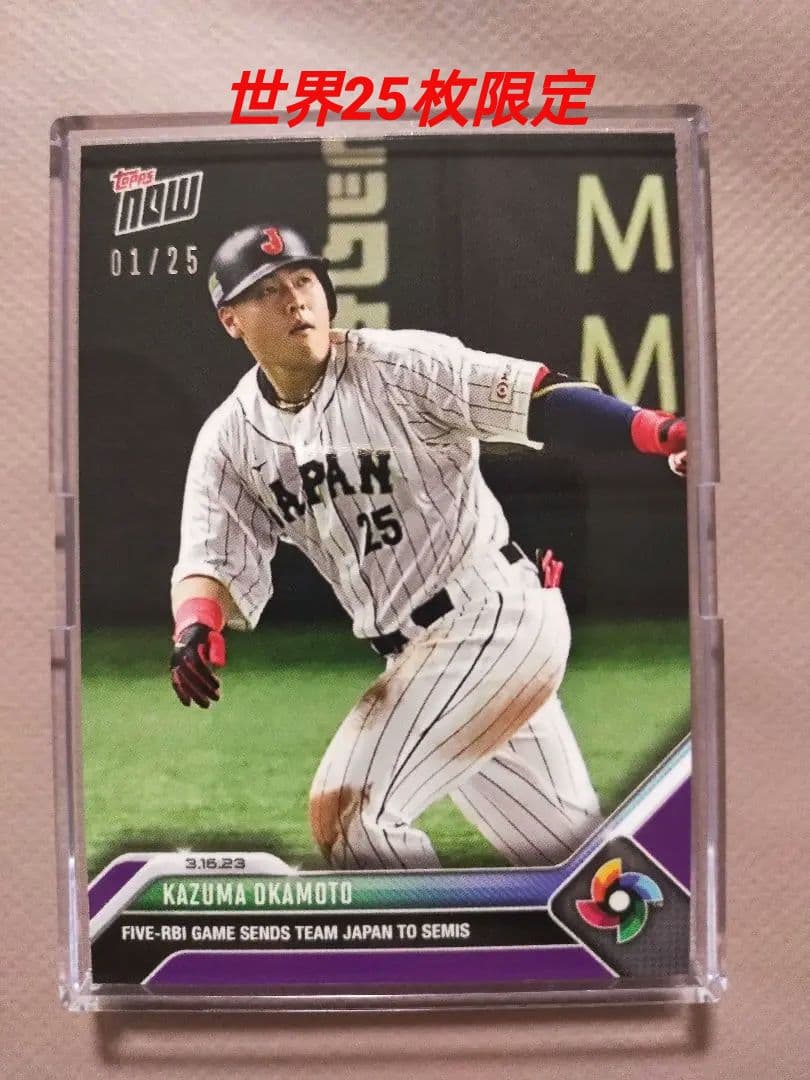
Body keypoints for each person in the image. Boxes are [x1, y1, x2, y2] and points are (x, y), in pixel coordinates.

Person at [170, 223, 686, 871]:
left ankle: (426, 939)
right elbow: (210, 557)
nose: (295, 299)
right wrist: (196, 625)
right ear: (231, 320)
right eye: (267, 291)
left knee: (352, 818)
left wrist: (657, 430)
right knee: (578, 871)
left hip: (492, 618)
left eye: (304, 279)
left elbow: (539, 397)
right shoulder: (230, 438)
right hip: (419, 656)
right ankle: (643, 925)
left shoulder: (400, 366)